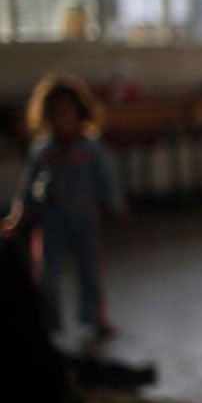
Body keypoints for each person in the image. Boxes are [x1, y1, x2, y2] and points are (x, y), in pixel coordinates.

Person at [2, 73, 125, 344]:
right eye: (55, 112)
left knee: (89, 269)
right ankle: (48, 323)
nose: (61, 118)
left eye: (66, 111)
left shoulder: (90, 147)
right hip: (51, 217)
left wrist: (113, 204)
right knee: (47, 272)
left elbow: (104, 178)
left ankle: (95, 319)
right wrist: (19, 214)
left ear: (79, 111)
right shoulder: (43, 149)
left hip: (83, 215)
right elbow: (30, 184)